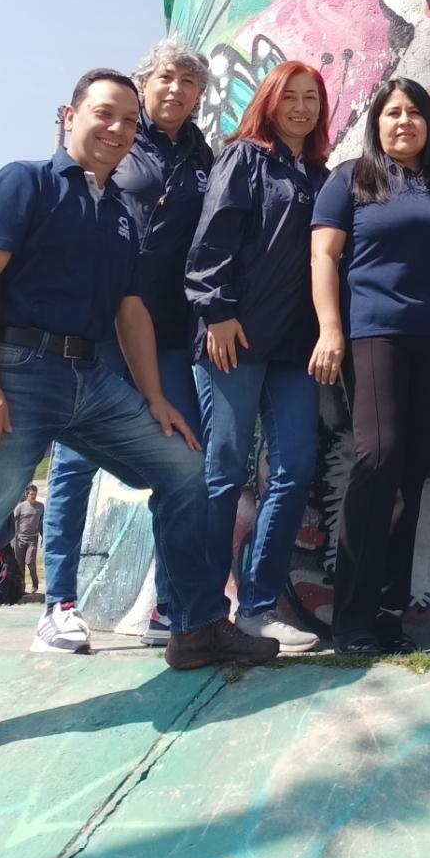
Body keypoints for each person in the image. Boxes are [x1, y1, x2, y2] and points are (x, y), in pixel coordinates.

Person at [0, 68, 277, 784]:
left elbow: (130, 310)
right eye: (104, 114)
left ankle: (195, 628)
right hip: (16, 373)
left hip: (89, 378)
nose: (117, 129)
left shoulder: (121, 214)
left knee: (184, 469)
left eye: (128, 122)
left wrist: (156, 399)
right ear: (69, 114)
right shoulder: (26, 182)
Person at [39, 39, 214, 653]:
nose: (175, 89)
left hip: (166, 329)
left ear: (199, 95)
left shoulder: (203, 156)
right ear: (144, 84)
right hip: (99, 323)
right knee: (74, 462)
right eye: (165, 77)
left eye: (188, 81)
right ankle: (58, 603)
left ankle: (171, 605)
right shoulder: (118, 142)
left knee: (182, 460)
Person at [311, 78, 430, 654]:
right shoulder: (351, 179)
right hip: (373, 335)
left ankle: (388, 613)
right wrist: (330, 329)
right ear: (377, 123)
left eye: (414, 112)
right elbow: (323, 256)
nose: (404, 121)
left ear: (428, 124)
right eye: (392, 113)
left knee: (410, 474)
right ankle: (351, 617)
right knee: (378, 458)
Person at [187, 60, 330, 654]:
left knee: (294, 468)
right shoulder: (244, 158)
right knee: (223, 472)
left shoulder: (320, 176)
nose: (301, 107)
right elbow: (212, 237)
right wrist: (216, 311)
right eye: (289, 96)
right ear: (270, 101)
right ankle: (199, 611)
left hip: (294, 348)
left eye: (311, 98)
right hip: (235, 338)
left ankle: (257, 606)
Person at [11, 485, 43, 595]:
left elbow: (42, 523)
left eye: (35, 494)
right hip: (20, 539)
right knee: (20, 565)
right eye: (31, 494)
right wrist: (13, 536)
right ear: (26, 495)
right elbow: (13, 521)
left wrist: (43, 536)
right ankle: (21, 588)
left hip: (33, 539)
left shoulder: (40, 507)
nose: (33, 496)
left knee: (30, 561)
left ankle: (35, 583)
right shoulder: (20, 507)